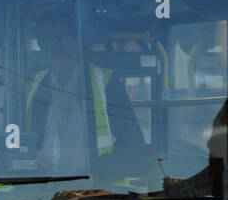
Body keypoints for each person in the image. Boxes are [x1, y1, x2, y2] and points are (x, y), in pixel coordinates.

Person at [24, 12, 143, 179]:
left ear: (79, 43)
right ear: (44, 46)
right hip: (44, 189)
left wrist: (99, 177)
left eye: (66, 40)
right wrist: (30, 155)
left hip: (94, 193)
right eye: (52, 41)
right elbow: (14, 139)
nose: (59, 48)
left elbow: (132, 145)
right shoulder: (32, 86)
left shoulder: (106, 82)